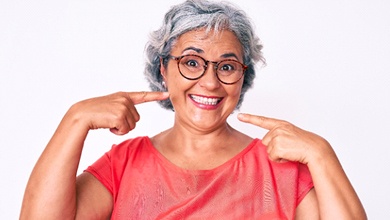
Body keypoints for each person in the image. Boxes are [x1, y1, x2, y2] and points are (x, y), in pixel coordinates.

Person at [20, 0, 367, 219]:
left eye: (227, 66)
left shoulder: (281, 170)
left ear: (243, 78)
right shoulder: (123, 165)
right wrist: (75, 119)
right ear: (163, 69)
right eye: (191, 62)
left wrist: (322, 154)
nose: (210, 82)